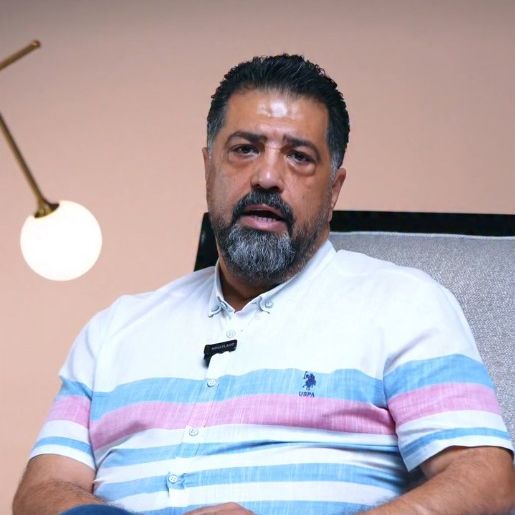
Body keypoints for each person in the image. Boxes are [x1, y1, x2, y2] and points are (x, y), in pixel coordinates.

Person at [13, 54, 514, 515]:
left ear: (334, 189)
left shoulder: (404, 305)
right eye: (245, 149)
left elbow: (488, 481)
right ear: (208, 167)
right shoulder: (114, 329)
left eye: (299, 156)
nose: (267, 176)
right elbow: (41, 490)